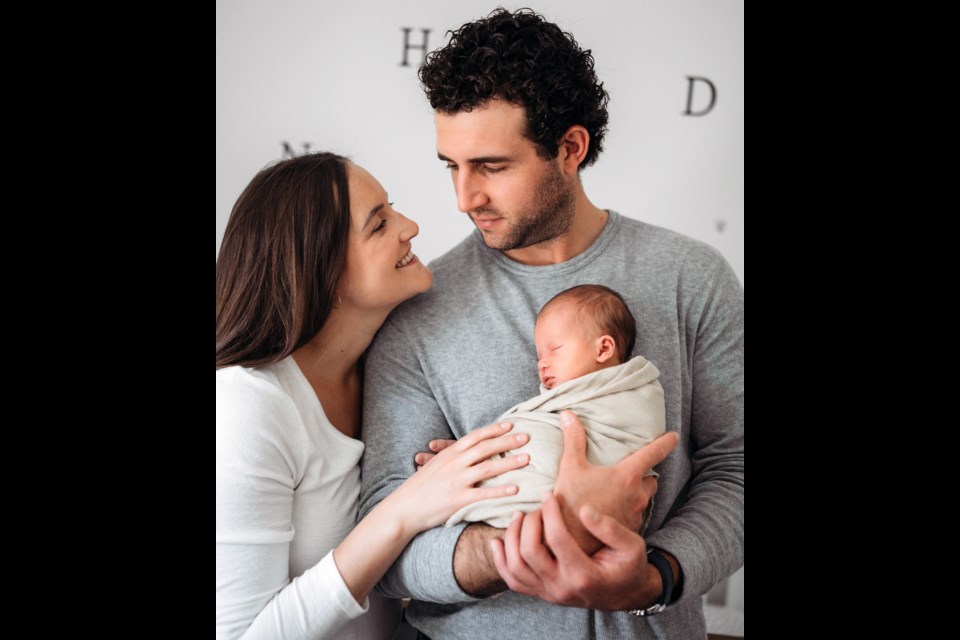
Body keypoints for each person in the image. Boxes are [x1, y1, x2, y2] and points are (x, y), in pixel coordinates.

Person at [358, 8, 743, 640]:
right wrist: (524, 545)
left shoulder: (692, 279)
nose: (464, 198)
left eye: (492, 166)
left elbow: (735, 468)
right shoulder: (417, 310)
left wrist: (654, 576)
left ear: (570, 147)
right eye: (450, 165)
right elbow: (384, 536)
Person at [215, 151, 533, 640]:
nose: (411, 226)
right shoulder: (248, 406)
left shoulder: (387, 366)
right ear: (323, 271)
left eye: (393, 209)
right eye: (379, 224)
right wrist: (404, 511)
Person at [445, 284, 666, 552]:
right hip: (536, 527)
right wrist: (473, 454)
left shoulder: (632, 393)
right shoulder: (561, 399)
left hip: (597, 496)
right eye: (539, 355)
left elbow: (627, 440)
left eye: (555, 349)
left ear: (604, 348)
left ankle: (479, 479)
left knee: (537, 441)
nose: (541, 363)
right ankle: (474, 474)